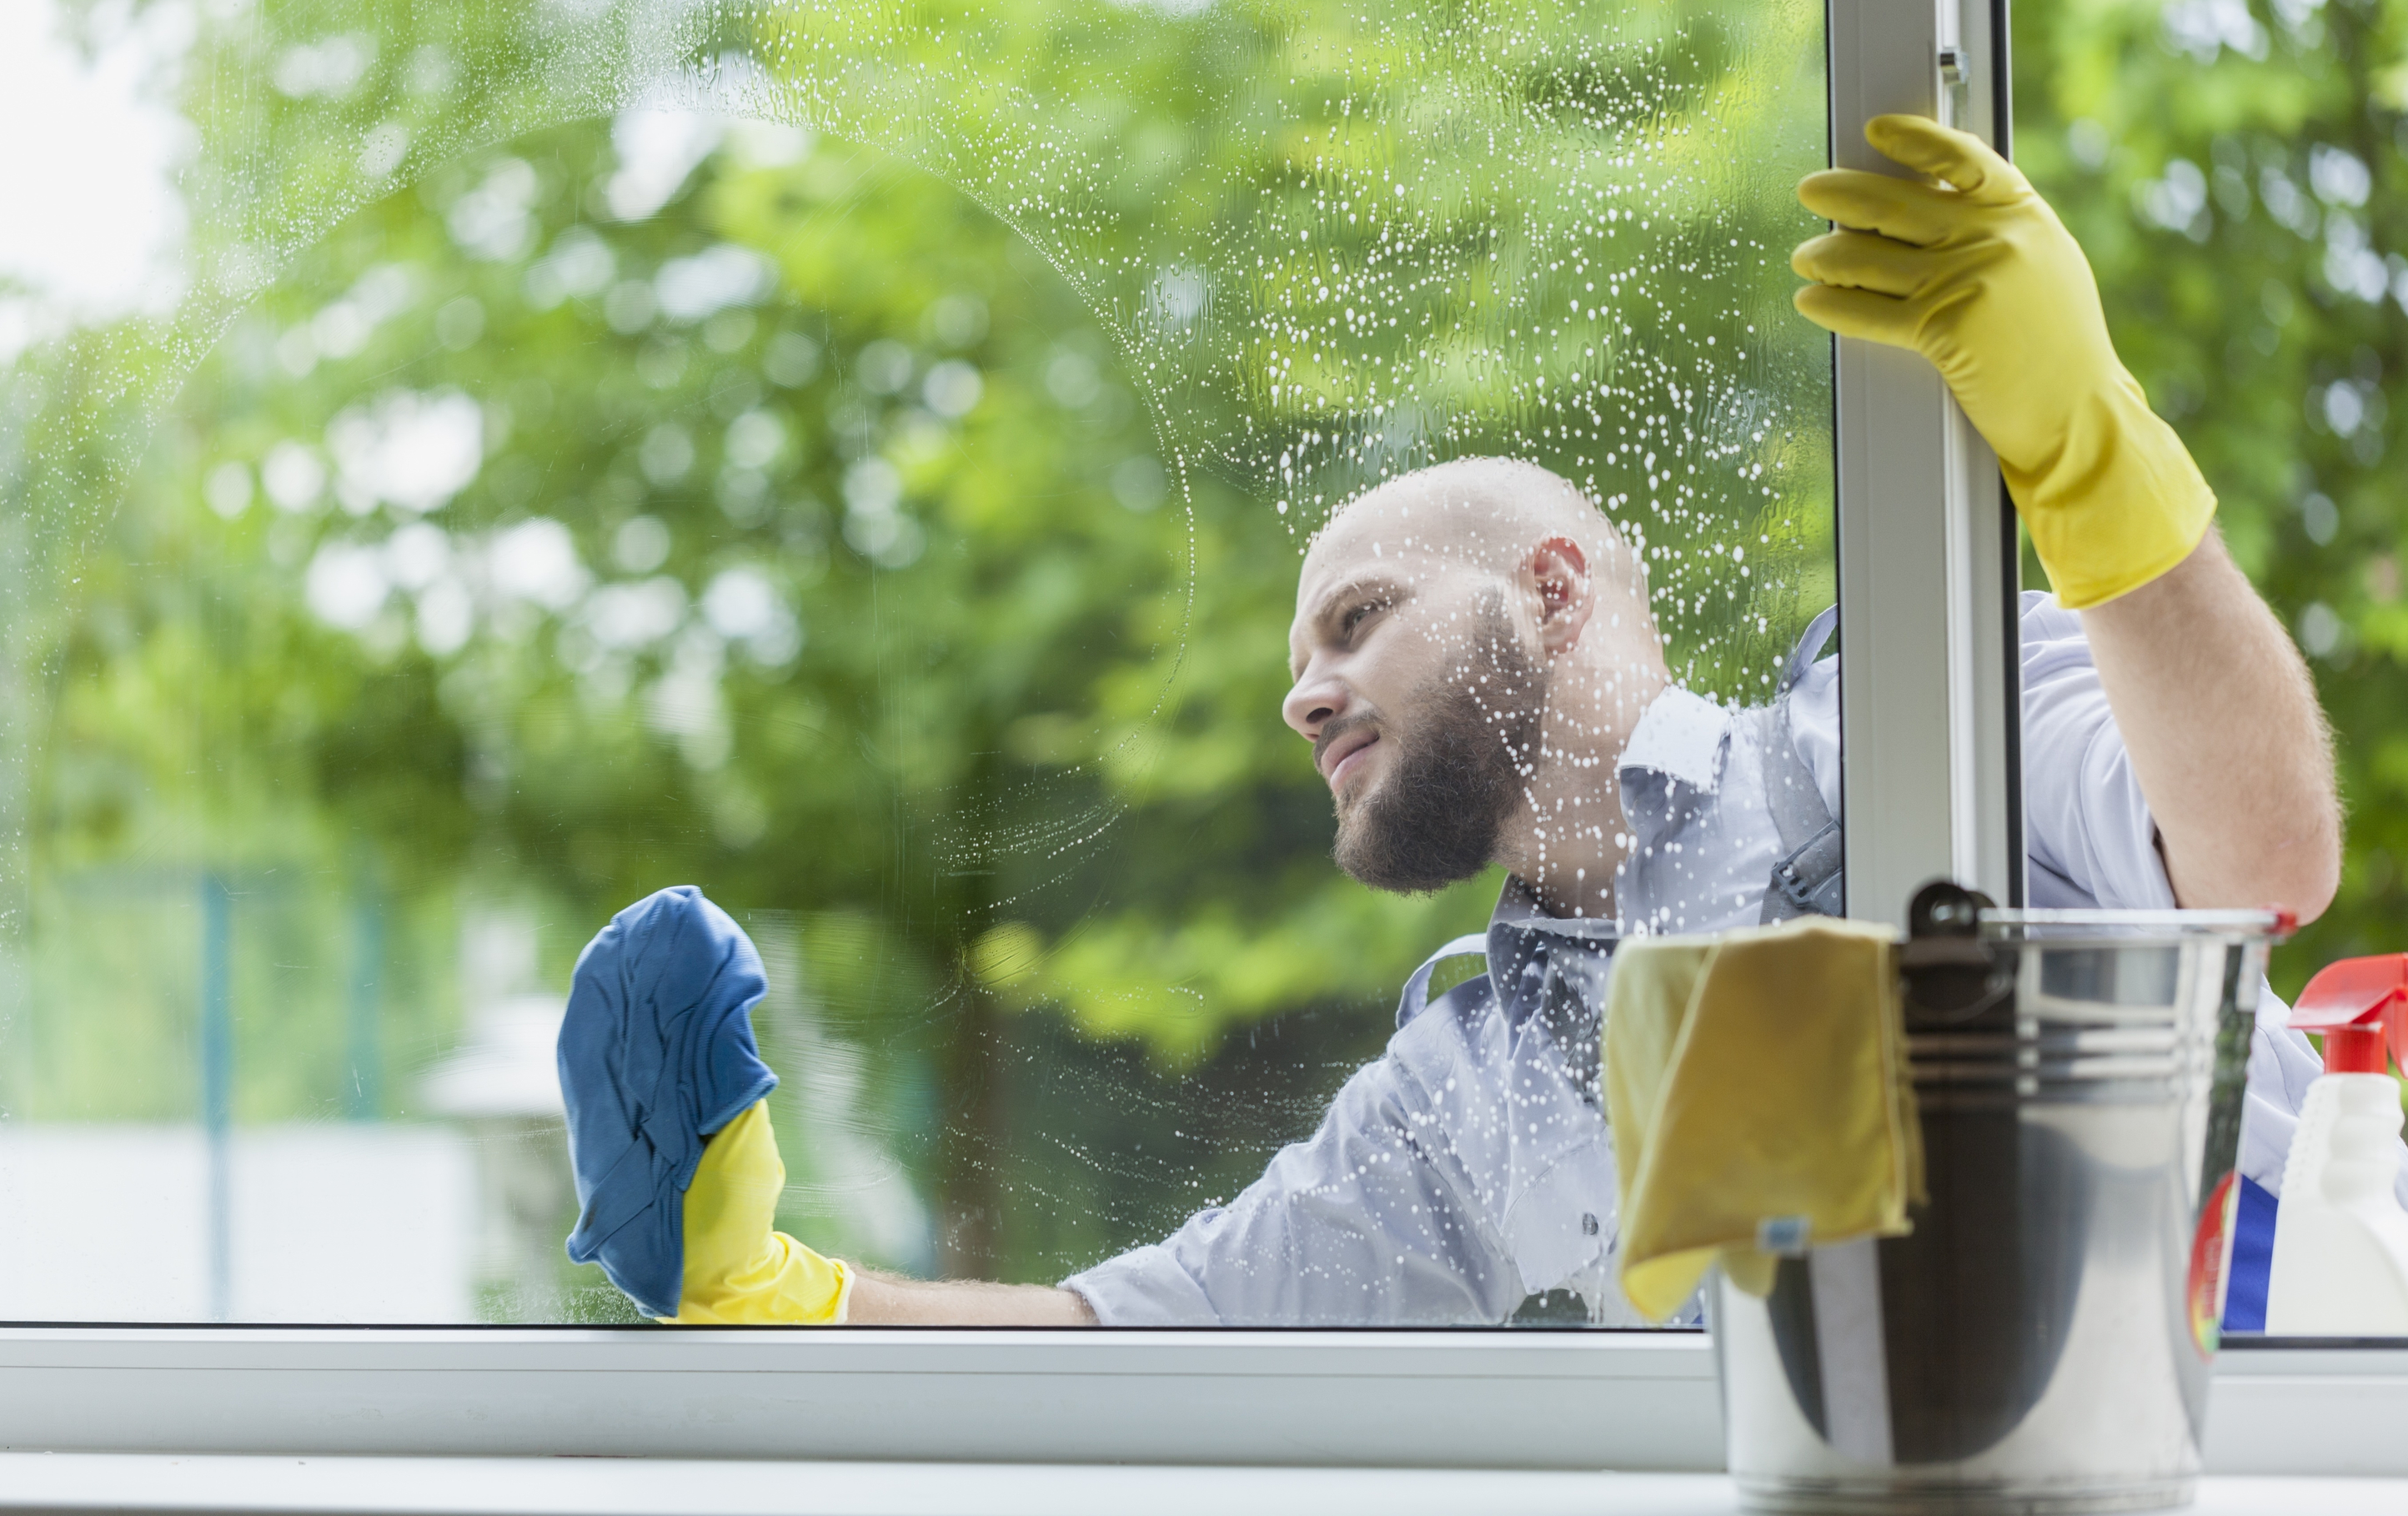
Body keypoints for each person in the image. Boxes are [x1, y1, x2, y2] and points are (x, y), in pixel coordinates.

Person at [559, 117, 2370, 1328]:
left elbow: (2265, 853)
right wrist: (772, 1284)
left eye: (1357, 618)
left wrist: (2091, 452)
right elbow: (1129, 1344)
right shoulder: (1460, 1095)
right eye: (1298, 656)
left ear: (1558, 589)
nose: (1300, 689)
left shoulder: (1906, 726)